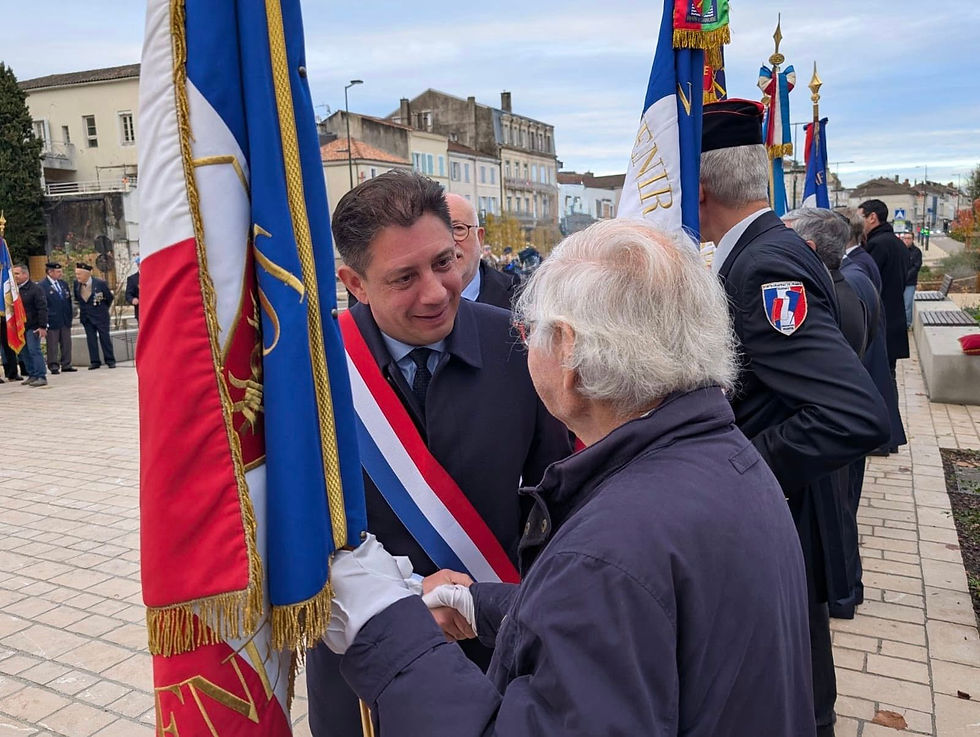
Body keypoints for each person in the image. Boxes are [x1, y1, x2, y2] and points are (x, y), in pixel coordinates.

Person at [321, 219, 816, 737]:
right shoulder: (723, 455)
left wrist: (382, 625)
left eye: (531, 330)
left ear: (567, 349)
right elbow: (646, 626)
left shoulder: (607, 548)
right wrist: (489, 605)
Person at [305, 170, 572, 737]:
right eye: (404, 277)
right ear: (354, 282)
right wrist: (406, 592)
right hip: (364, 664)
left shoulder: (520, 347)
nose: (435, 292)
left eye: (444, 262)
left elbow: (559, 497)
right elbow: (291, 527)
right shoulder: (313, 370)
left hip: (493, 652)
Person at [700, 99, 890, 737]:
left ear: (698, 188)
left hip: (782, 515)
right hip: (786, 513)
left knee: (797, 696)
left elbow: (851, 413)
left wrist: (740, 467)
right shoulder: (766, 248)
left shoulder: (763, 265)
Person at [791, 209, 874, 620]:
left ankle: (841, 596)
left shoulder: (823, 302)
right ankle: (846, 592)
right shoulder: (847, 289)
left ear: (808, 248)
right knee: (840, 518)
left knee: (832, 524)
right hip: (840, 429)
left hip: (828, 430)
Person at [858, 200, 910, 374]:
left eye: (861, 217)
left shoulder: (877, 244)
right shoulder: (896, 243)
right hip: (894, 317)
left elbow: (867, 282)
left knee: (880, 377)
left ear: (872, 217)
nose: (858, 224)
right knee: (889, 374)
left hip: (880, 320)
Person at [445, 194, 520, 310]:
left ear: (479, 237)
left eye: (458, 229)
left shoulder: (517, 298)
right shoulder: (417, 301)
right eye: (437, 232)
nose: (448, 242)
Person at [73, 262, 116, 369]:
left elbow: (109, 298)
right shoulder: (76, 284)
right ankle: (95, 361)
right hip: (86, 317)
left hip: (100, 316)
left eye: (79, 274)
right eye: (76, 274)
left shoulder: (100, 283)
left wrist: (102, 309)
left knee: (104, 338)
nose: (77, 276)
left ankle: (110, 360)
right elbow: (78, 299)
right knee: (91, 339)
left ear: (86, 274)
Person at [11, 265, 48, 387]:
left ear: (25, 274)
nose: (15, 276)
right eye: (13, 274)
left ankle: (41, 376)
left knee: (34, 350)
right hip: (20, 326)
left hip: (33, 326)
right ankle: (32, 374)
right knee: (24, 352)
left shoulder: (35, 289)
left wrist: (42, 326)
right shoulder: (14, 290)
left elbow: (42, 308)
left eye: (17, 274)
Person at [39, 262, 76, 374]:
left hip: (64, 319)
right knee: (52, 344)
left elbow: (68, 301)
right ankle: (53, 365)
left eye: (61, 271)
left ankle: (66, 364)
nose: (61, 273)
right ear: (50, 272)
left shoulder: (63, 284)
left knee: (66, 343)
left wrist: (70, 317)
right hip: (52, 320)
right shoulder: (42, 286)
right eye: (58, 271)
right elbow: (43, 304)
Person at [901, 231, 922, 328]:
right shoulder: (899, 250)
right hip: (900, 282)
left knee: (907, 305)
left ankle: (907, 324)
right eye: (905, 238)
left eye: (909, 238)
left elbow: (916, 267)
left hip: (910, 282)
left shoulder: (916, 252)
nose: (906, 240)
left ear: (913, 239)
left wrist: (906, 275)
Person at [126, 258, 141, 323]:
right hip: (140, 311)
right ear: (138, 265)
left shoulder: (154, 276)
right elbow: (128, 294)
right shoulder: (132, 279)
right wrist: (132, 299)